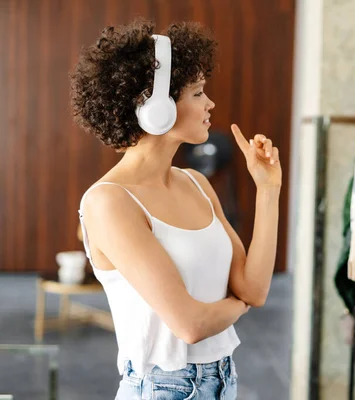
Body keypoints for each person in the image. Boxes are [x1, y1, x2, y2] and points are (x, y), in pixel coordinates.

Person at [70, 19, 281, 400]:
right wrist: (239, 307)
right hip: (161, 388)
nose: (210, 103)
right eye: (198, 93)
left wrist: (268, 190)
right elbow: (190, 324)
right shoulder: (109, 201)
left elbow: (255, 288)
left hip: (223, 379)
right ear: (156, 107)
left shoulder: (196, 184)